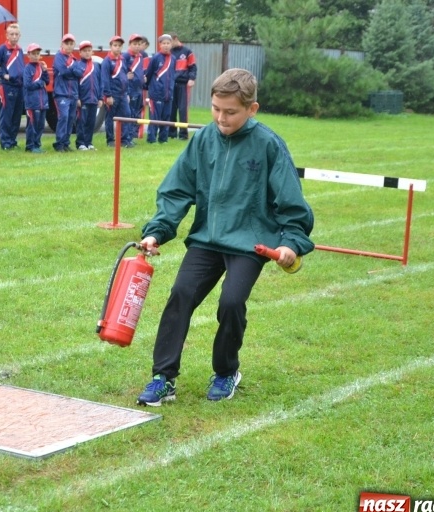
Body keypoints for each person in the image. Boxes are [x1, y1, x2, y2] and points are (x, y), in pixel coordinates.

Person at [135, 68, 315, 407]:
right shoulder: (203, 139)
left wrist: (291, 243)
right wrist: (157, 231)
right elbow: (176, 190)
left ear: (252, 109)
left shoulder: (269, 145)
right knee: (180, 296)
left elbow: (292, 204)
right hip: (207, 239)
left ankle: (225, 371)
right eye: (216, 109)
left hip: (250, 243)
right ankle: (163, 378)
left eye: (230, 111)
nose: (220, 117)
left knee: (231, 303)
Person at [0, 23, 24, 150]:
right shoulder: (2, 49)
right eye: (11, 34)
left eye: (16, 34)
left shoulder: (19, 50)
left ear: (20, 35)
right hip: (7, 86)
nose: (14, 37)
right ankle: (5, 143)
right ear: (7, 35)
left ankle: (13, 141)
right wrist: (4, 75)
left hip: (19, 86)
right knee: (6, 115)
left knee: (16, 115)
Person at [101, 35, 132, 148]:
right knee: (110, 116)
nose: (117, 48)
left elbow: (125, 77)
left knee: (127, 114)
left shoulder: (123, 60)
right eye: (115, 45)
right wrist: (108, 95)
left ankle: (124, 139)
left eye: (119, 46)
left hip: (123, 94)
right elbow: (105, 79)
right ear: (111, 46)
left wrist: (127, 92)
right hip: (112, 94)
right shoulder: (107, 61)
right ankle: (110, 140)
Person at [71, 40, 102, 151]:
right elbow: (75, 83)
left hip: (94, 99)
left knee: (91, 122)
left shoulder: (97, 66)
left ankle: (89, 142)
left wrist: (100, 98)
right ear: (80, 53)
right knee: (81, 122)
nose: (87, 53)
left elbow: (100, 82)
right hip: (83, 99)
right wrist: (77, 97)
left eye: (89, 50)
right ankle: (80, 143)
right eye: (85, 51)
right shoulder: (77, 65)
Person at [144, 34, 174, 144]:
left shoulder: (173, 59)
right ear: (160, 45)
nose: (166, 45)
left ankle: (163, 139)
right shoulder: (156, 58)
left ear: (171, 45)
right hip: (156, 93)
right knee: (155, 118)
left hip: (168, 94)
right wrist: (149, 89)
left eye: (168, 43)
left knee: (166, 117)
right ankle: (151, 139)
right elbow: (149, 73)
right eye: (164, 43)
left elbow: (172, 75)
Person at [51, 33, 78, 152]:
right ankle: (59, 143)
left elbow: (79, 73)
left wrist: (71, 71)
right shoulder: (58, 57)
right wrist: (73, 71)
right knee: (64, 117)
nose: (69, 46)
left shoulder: (74, 59)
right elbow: (64, 72)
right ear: (62, 44)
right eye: (67, 43)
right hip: (61, 93)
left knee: (71, 118)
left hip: (73, 93)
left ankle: (66, 142)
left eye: (71, 44)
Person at [168, 33, 197, 141]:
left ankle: (183, 134)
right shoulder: (168, 53)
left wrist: (192, 78)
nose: (168, 45)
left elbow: (193, 67)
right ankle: (171, 133)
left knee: (183, 109)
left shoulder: (187, 52)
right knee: (171, 109)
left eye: (169, 42)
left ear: (175, 39)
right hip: (171, 84)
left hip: (183, 84)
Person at [22, 43, 49, 154]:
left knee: (40, 125)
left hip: (42, 102)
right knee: (32, 125)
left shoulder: (40, 67)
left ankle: (37, 144)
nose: (36, 56)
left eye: (37, 54)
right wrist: (40, 83)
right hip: (32, 103)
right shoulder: (28, 69)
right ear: (28, 55)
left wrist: (46, 71)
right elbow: (28, 84)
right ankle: (30, 145)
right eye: (33, 54)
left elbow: (46, 81)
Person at [122, 34, 145, 143]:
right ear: (130, 44)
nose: (137, 46)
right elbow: (121, 71)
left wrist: (143, 76)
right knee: (129, 113)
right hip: (130, 89)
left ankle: (132, 135)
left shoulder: (140, 56)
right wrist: (126, 77)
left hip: (138, 88)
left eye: (139, 44)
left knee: (136, 113)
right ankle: (127, 136)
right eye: (134, 44)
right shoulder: (125, 57)